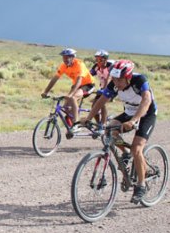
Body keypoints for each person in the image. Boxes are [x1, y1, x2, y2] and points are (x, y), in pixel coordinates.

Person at [81, 59, 157, 204]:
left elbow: (146, 101)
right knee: (110, 129)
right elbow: (101, 101)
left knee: (137, 149)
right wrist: (89, 118)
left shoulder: (139, 80)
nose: (116, 83)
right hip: (129, 112)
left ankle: (141, 185)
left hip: (146, 114)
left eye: (120, 80)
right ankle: (126, 153)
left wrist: (133, 121)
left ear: (128, 77)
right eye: (114, 79)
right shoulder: (114, 84)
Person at [41, 48, 95, 132]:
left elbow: (79, 81)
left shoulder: (80, 65)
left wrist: (71, 95)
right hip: (76, 86)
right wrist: (46, 91)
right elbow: (55, 79)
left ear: (73, 57)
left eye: (67, 57)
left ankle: (76, 124)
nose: (65, 59)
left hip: (87, 85)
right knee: (65, 107)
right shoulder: (63, 66)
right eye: (63, 57)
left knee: (72, 98)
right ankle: (75, 124)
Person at [89, 49, 114, 125]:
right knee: (94, 106)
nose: (98, 61)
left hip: (112, 88)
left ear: (105, 59)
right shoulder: (96, 66)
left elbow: (108, 79)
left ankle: (103, 124)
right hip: (102, 88)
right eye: (97, 59)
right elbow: (88, 76)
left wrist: (105, 90)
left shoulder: (110, 66)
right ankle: (98, 124)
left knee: (102, 103)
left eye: (100, 59)